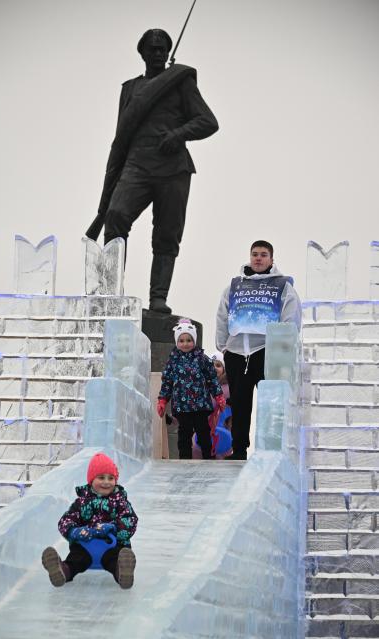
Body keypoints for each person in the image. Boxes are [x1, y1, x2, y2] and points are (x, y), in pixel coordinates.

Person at [86, 28, 219, 314]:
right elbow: (122, 135)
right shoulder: (130, 89)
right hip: (136, 165)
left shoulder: (179, 82)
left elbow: (208, 121)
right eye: (153, 49)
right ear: (142, 53)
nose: (158, 53)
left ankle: (158, 297)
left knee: (166, 234)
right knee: (116, 215)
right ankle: (111, 291)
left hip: (173, 169)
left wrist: (178, 134)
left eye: (163, 49)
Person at [216, 241, 302, 460]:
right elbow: (222, 315)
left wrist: (283, 347)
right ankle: (240, 449)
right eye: (255, 254)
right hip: (237, 353)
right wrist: (223, 346)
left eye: (264, 255)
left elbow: (291, 316)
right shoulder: (235, 286)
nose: (258, 258)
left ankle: (271, 450)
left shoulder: (283, 286)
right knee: (240, 404)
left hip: (266, 352)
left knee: (271, 404)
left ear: (271, 259)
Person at [41, 453, 138, 589]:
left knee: (114, 560)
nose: (106, 482)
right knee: (76, 560)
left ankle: (123, 572)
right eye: (101, 477)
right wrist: (74, 531)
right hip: (85, 545)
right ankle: (62, 570)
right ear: (91, 480)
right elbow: (65, 520)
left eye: (111, 478)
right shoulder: (81, 502)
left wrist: (113, 527)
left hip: (111, 545)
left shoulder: (120, 502)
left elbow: (130, 521)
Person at [157, 318, 226, 459]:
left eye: (189, 340)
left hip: (201, 405)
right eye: (181, 341)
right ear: (177, 342)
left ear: (194, 340)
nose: (185, 344)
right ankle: (185, 460)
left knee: (203, 433)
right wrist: (163, 400)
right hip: (182, 407)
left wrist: (218, 396)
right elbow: (167, 382)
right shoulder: (173, 361)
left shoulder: (202, 358)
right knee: (184, 434)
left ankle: (207, 457)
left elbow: (212, 378)